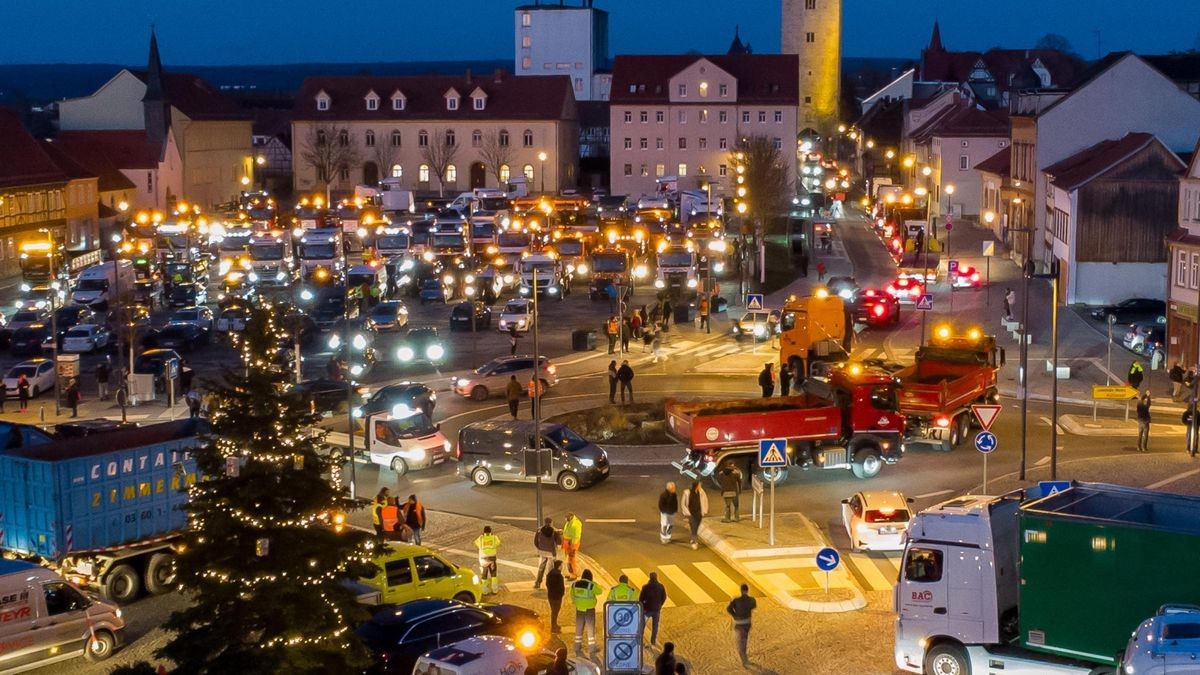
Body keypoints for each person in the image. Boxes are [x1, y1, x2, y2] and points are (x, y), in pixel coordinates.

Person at [571, 569, 603, 657]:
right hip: (589, 609)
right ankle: (592, 648)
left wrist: (577, 603)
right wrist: (594, 583)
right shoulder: (591, 585)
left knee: (579, 628)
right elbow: (600, 591)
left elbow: (572, 596)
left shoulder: (574, 584)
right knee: (590, 628)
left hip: (579, 609)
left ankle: (577, 646)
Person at [726, 583, 757, 667]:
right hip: (747, 623)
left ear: (741, 591)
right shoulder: (751, 600)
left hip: (739, 623)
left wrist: (735, 615)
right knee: (744, 640)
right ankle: (745, 658)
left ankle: (744, 659)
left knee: (741, 642)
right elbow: (753, 606)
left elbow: (728, 609)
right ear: (747, 590)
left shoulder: (736, 600)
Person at [533, 517, 561, 590]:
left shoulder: (539, 530)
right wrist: (559, 534)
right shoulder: (554, 531)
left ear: (544, 522)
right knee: (550, 569)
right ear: (551, 523)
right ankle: (550, 584)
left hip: (542, 552)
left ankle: (538, 583)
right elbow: (559, 542)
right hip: (551, 552)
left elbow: (535, 541)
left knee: (541, 567)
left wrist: (539, 548)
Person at [680, 480, 708, 550]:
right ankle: (694, 542)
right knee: (694, 528)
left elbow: (705, 501)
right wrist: (686, 513)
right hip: (691, 514)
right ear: (696, 485)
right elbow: (683, 503)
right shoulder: (687, 493)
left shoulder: (701, 492)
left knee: (696, 527)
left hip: (699, 514)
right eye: (699, 485)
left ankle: (693, 539)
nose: (700, 486)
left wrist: (704, 510)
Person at [641, 572, 668, 646]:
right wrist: (660, 605)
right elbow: (664, 597)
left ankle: (640, 639)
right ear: (657, 577)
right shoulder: (661, 586)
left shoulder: (645, 587)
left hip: (647, 610)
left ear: (650, 577)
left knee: (642, 625)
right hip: (656, 610)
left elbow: (641, 599)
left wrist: (643, 605)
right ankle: (653, 641)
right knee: (655, 626)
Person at [473, 526, 501, 595]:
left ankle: (484, 591)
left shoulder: (481, 538)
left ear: (484, 531)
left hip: (483, 559)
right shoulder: (494, 537)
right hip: (492, 559)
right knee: (493, 575)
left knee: (484, 575)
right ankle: (494, 590)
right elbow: (498, 543)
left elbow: (476, 543)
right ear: (490, 531)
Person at [546, 560, 566, 633]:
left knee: (553, 611)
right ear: (559, 566)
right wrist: (561, 594)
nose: (562, 567)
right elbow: (561, 587)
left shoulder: (550, 574)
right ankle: (553, 627)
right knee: (555, 612)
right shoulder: (559, 576)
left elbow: (547, 584)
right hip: (557, 597)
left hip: (550, 595)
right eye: (561, 565)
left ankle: (554, 625)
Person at [562, 512, 583, 579]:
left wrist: (573, 548)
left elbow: (576, 537)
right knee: (568, 559)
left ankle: (573, 574)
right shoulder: (570, 522)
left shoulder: (575, 524)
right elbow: (569, 531)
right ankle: (571, 573)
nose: (566, 519)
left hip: (571, 544)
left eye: (567, 518)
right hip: (568, 543)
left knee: (571, 559)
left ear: (571, 517)